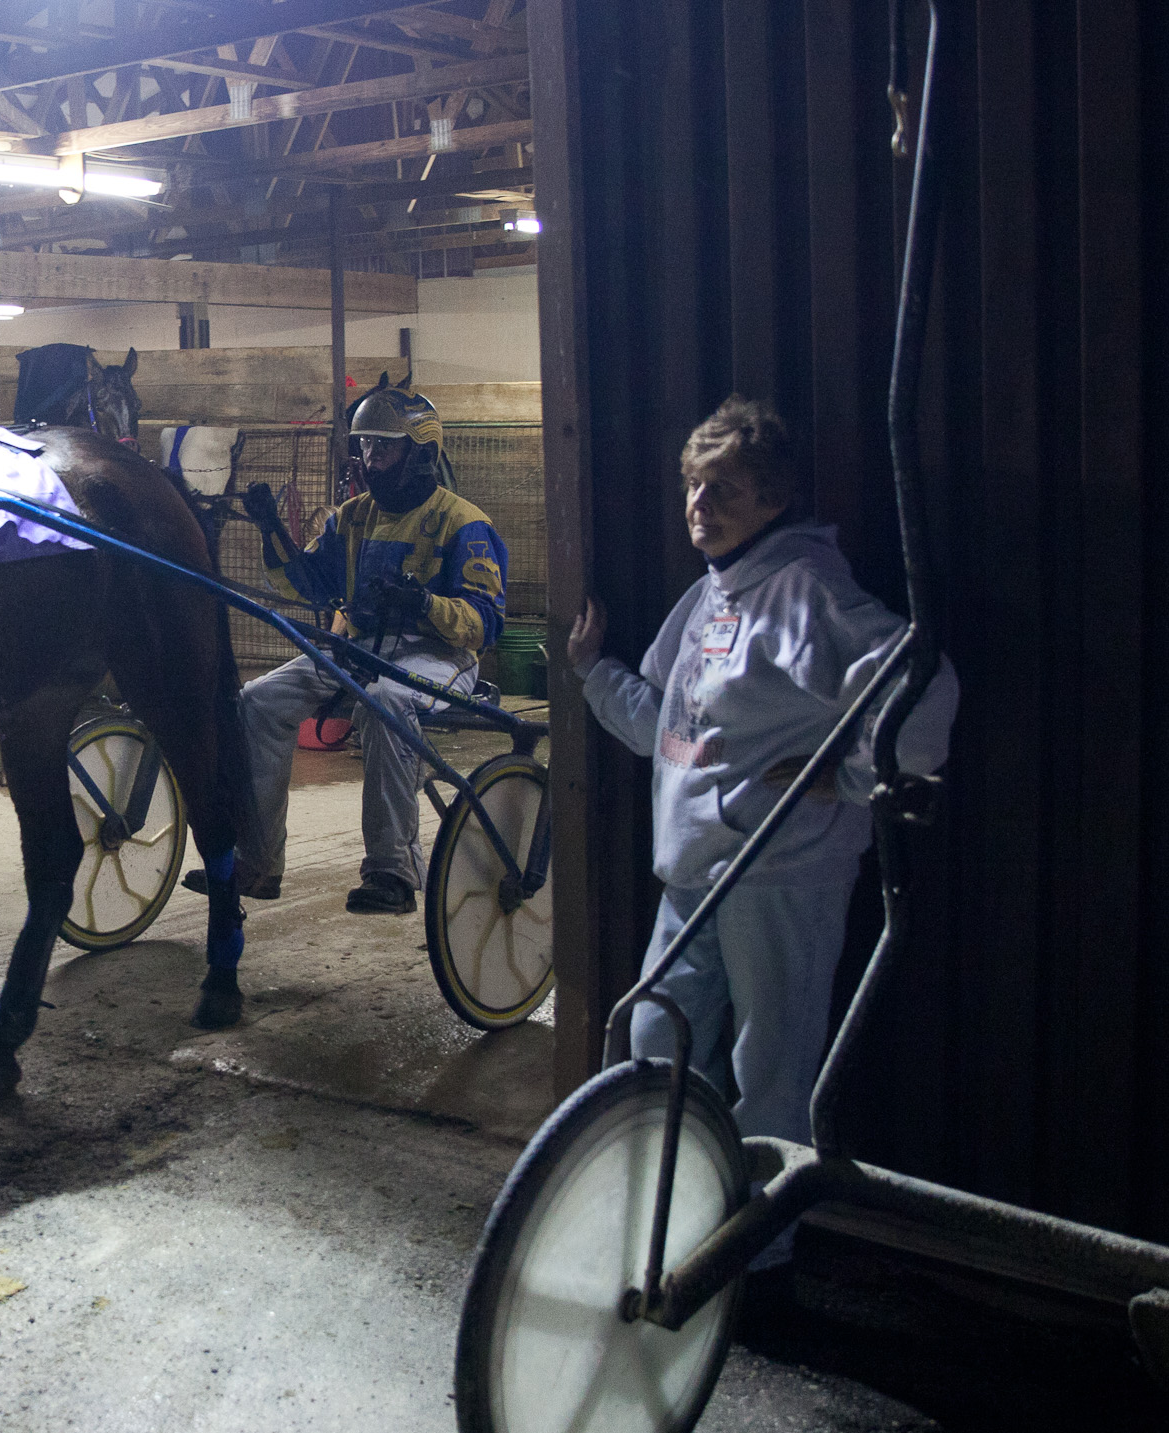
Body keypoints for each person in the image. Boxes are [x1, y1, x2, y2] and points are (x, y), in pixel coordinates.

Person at [566, 395, 958, 1267]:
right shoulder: (706, 600)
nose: (701, 506)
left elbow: (924, 691)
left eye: (726, 489)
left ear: (774, 498)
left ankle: (759, 1268)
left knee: (772, 1075)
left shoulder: (807, 592)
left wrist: (850, 777)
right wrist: (593, 674)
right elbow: (665, 732)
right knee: (654, 1035)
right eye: (695, 487)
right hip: (696, 876)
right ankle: (683, 1230)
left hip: (781, 877)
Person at [190, 384, 508, 914]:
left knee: (385, 700)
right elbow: (309, 585)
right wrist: (273, 531)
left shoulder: (464, 523)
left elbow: (485, 624)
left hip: (438, 656)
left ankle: (393, 873)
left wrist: (423, 604)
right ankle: (258, 863)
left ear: (421, 452)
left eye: (383, 448)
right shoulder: (352, 516)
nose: (369, 460)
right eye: (364, 447)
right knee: (258, 700)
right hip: (358, 648)